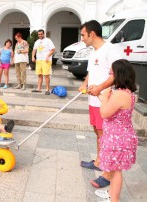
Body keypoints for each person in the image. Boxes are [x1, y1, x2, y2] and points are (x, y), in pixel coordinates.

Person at [78, 20, 122, 188]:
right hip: (93, 100)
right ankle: (99, 161)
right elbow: (91, 72)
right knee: (98, 132)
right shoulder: (93, 52)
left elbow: (117, 74)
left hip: (105, 100)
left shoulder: (110, 50)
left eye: (83, 35)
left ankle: (108, 174)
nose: (82, 38)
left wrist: (100, 88)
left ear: (92, 34)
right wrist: (85, 84)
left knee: (106, 136)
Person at [95, 59, 138, 202]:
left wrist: (106, 95)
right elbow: (111, 106)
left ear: (119, 74)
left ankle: (114, 199)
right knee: (114, 170)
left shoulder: (120, 94)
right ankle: (111, 194)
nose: (110, 75)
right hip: (120, 137)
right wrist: (99, 95)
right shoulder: (126, 92)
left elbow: (105, 112)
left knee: (116, 171)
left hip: (117, 139)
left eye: (111, 73)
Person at [31, 29, 55, 95]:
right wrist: (33, 56)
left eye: (41, 34)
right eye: (39, 34)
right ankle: (39, 88)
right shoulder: (37, 42)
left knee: (46, 75)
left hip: (46, 60)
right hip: (39, 60)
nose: (40, 35)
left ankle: (47, 89)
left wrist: (48, 56)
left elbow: (53, 49)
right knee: (39, 74)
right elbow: (34, 50)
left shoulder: (48, 41)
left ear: (44, 34)